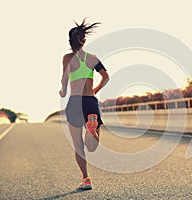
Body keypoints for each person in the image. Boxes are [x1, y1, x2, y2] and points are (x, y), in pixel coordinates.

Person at [59, 18, 109, 190]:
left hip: (74, 102)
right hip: (89, 102)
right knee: (92, 146)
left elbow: (64, 80)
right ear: (84, 41)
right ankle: (92, 129)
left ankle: (86, 179)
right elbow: (106, 77)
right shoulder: (92, 58)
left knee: (78, 145)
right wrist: (95, 89)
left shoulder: (66, 58)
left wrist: (63, 91)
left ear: (70, 42)